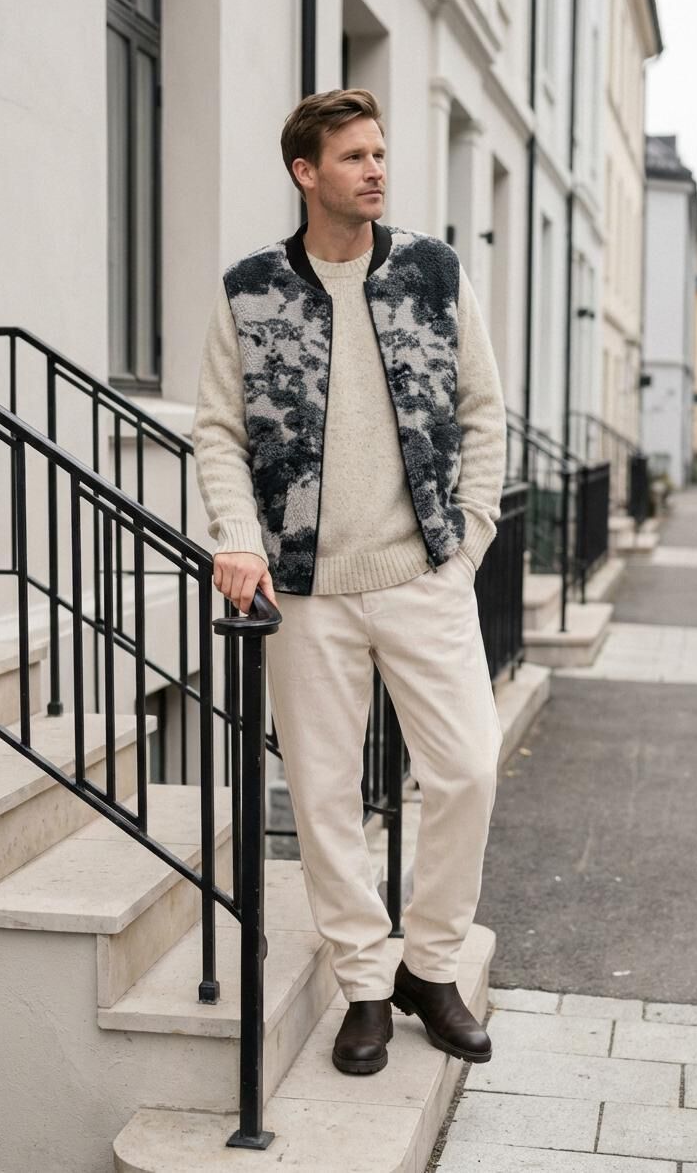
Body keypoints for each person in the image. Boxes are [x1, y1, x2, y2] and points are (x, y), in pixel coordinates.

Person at [192, 88, 506, 1075]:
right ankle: (365, 983)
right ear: (306, 172)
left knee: (467, 769)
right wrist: (237, 537)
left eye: (379, 153)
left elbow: (483, 410)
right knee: (325, 794)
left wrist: (470, 540)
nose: (375, 169)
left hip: (423, 572)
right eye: (354, 156)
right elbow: (218, 429)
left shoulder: (431, 272)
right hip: (303, 588)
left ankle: (431, 964)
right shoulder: (250, 290)